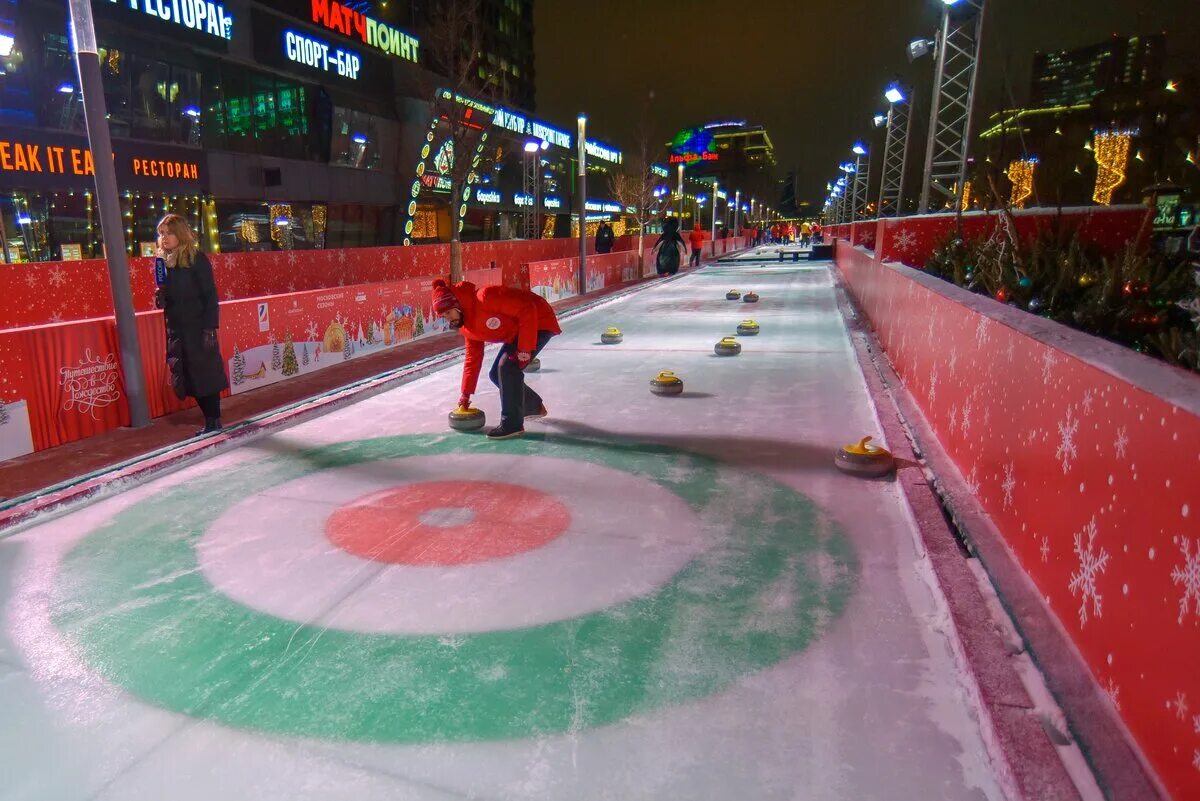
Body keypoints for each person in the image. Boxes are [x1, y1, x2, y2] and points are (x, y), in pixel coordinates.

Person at [431, 278, 561, 440]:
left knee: (507, 367)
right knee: (496, 374)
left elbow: (528, 309)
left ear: (457, 304)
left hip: (539, 320)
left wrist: (525, 349)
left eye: (448, 313)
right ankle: (533, 406)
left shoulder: (485, 297)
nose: (448, 319)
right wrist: (465, 394)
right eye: (444, 316)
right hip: (517, 332)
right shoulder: (467, 327)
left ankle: (511, 425)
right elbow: (473, 359)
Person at [154, 214, 229, 435]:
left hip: (198, 328)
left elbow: (210, 295)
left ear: (180, 234)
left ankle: (213, 420)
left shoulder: (197, 259)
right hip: (177, 328)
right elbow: (171, 296)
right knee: (187, 374)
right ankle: (210, 421)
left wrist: (209, 328)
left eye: (169, 233)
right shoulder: (164, 262)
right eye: (162, 234)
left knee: (205, 374)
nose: (164, 238)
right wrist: (161, 297)